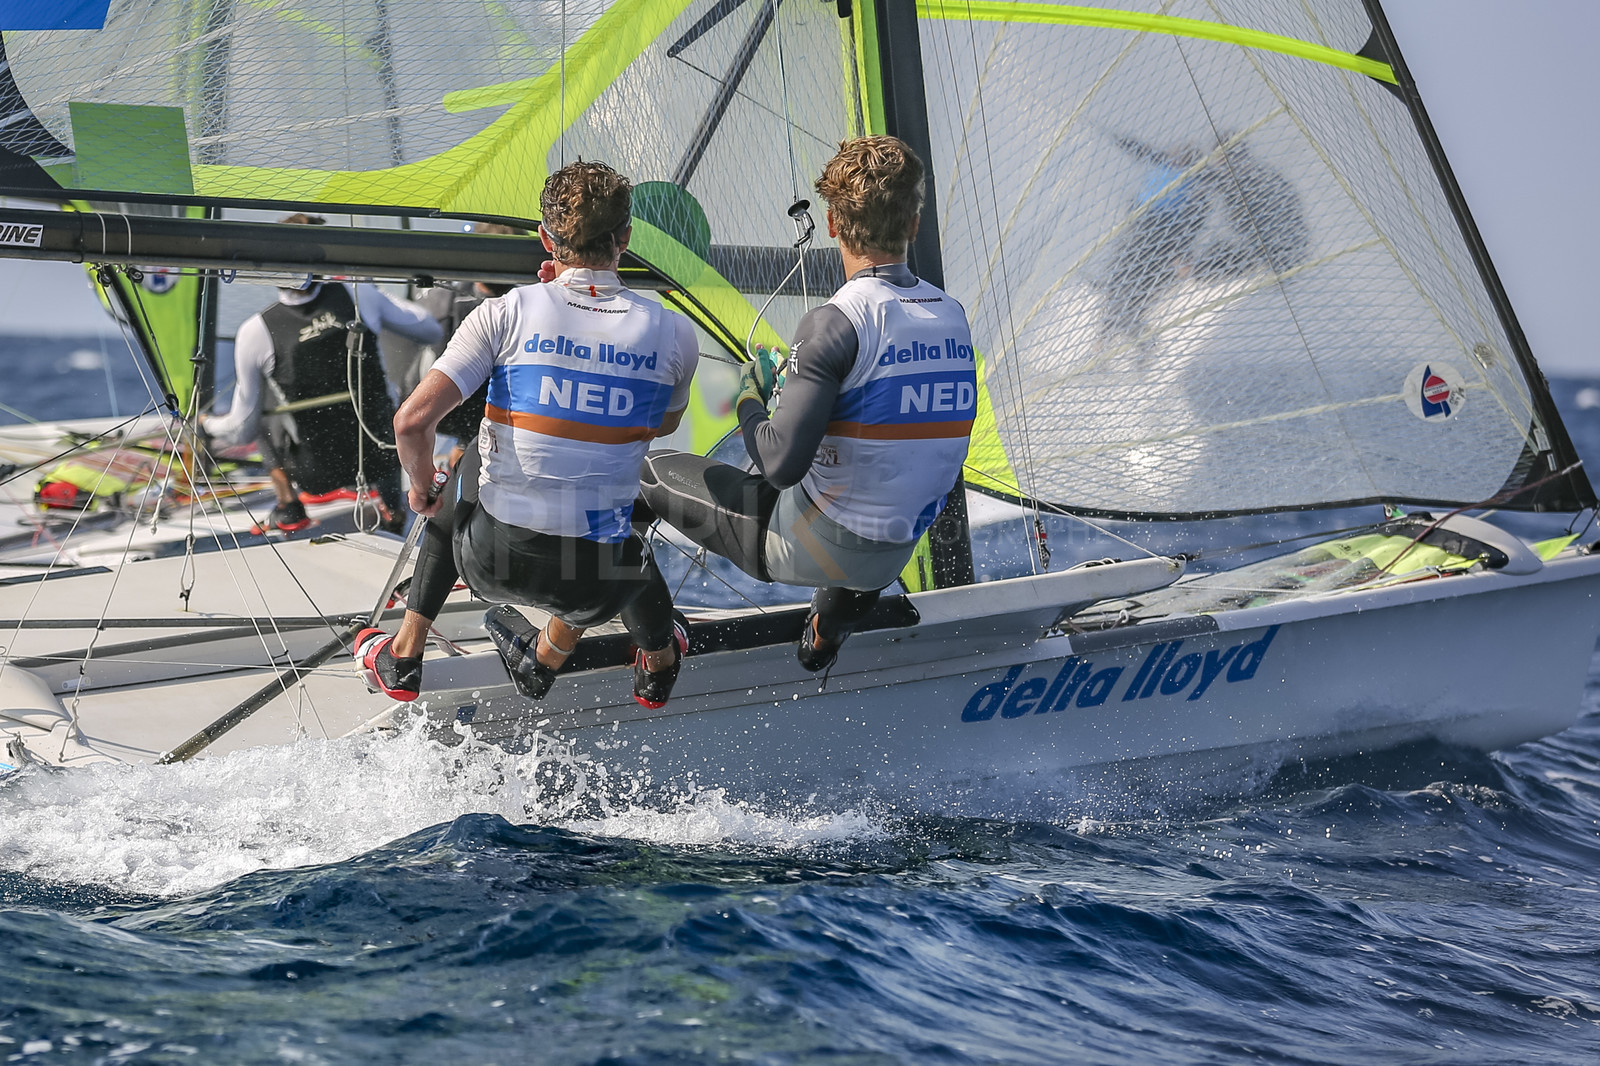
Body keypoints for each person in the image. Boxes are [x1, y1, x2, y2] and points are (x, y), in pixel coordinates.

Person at [354, 161, 699, 708]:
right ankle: (655, 667)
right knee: (607, 505)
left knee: (464, 465)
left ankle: (404, 654)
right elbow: (661, 424)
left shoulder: (507, 311)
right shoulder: (676, 332)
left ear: (545, 238)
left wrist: (421, 492)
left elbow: (412, 423)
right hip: (596, 583)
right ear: (625, 238)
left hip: (493, 560)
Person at [637, 135, 977, 673]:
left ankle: (650, 650)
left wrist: (749, 399)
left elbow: (780, 463)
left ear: (835, 224)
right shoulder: (953, 314)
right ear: (914, 222)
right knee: (867, 492)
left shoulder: (836, 323)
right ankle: (823, 636)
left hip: (810, 547)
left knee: (647, 475)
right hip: (895, 553)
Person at [202, 214, 443, 533]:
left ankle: (289, 508)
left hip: (316, 476)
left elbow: (241, 431)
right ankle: (392, 508)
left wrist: (207, 425)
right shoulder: (359, 294)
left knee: (259, 410)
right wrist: (376, 303)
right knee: (377, 390)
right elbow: (429, 331)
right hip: (381, 461)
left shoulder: (255, 331)